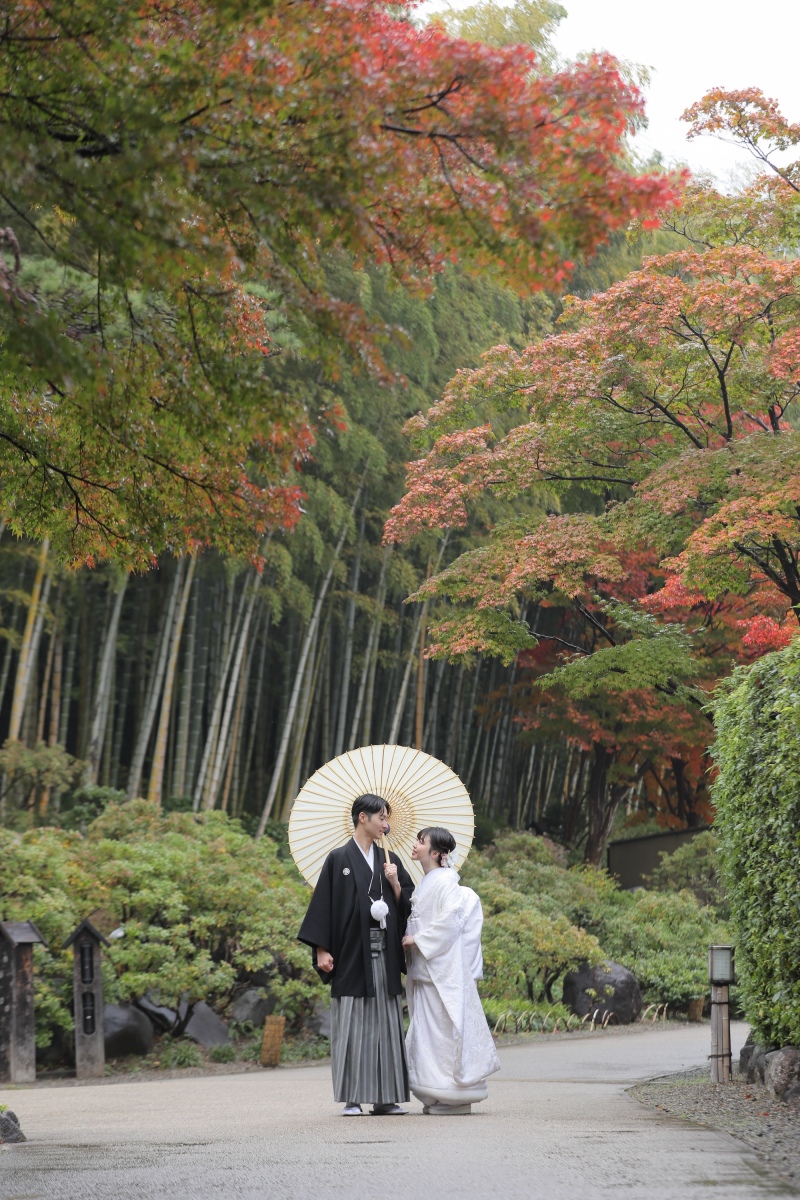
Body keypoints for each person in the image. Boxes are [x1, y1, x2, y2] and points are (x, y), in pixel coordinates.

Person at [297, 793, 414, 1116]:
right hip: (351, 953)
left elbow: (409, 903)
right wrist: (321, 949)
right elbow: (323, 906)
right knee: (352, 1022)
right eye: (381, 817)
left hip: (384, 952)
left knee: (386, 1023)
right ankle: (352, 1097)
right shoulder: (338, 859)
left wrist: (396, 884)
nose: (385, 824)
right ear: (363, 817)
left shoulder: (390, 860)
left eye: (386, 818)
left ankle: (386, 1097)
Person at [402, 826, 500, 1115]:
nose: (416, 845)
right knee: (428, 1035)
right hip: (426, 970)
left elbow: (451, 921)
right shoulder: (426, 883)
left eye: (421, 842)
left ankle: (453, 1094)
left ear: (437, 853)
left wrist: (417, 939)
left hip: (441, 971)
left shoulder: (446, 883)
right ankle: (436, 1094)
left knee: (443, 1034)